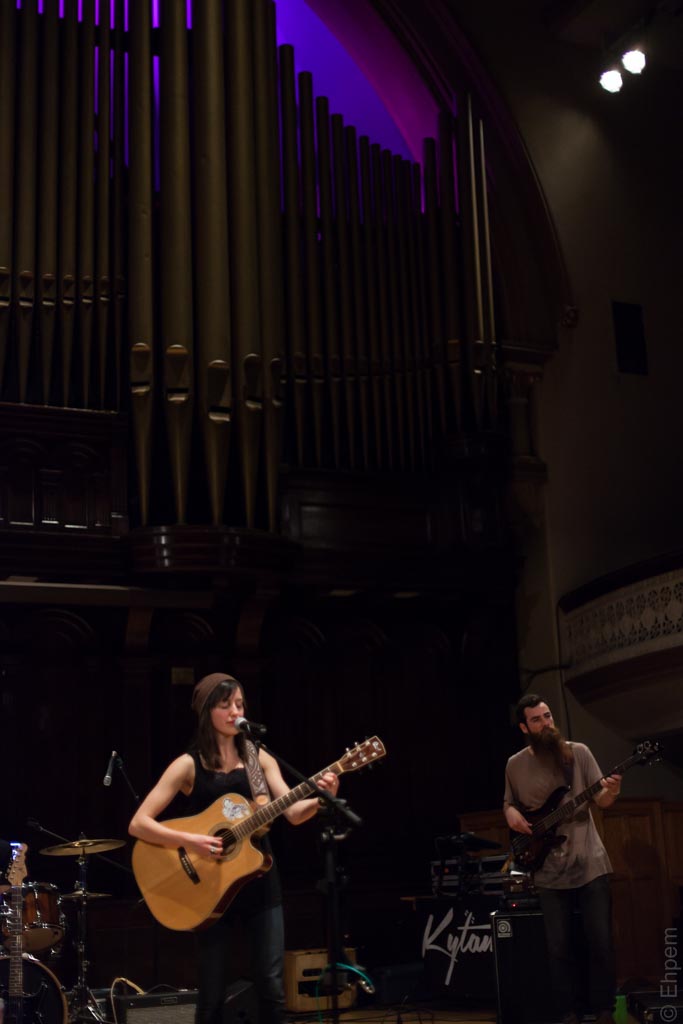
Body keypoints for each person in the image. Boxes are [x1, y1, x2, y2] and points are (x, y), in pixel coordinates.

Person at [129, 673, 340, 1024]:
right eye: (225, 705)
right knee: (211, 994)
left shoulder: (257, 759)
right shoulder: (188, 764)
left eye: (240, 704)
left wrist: (322, 799)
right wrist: (192, 840)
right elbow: (139, 823)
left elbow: (292, 813)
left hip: (259, 883)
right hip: (209, 889)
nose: (235, 712)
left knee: (272, 986)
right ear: (206, 711)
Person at [503, 694, 621, 1024]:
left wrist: (612, 790)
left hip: (589, 862)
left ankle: (604, 1011)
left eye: (548, 716)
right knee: (558, 949)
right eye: (537, 719)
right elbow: (508, 803)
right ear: (524, 727)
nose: (546, 723)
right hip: (547, 868)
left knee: (600, 942)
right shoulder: (514, 765)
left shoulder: (578, 753)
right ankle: (568, 1013)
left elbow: (602, 799)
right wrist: (510, 813)